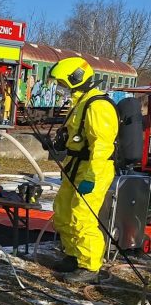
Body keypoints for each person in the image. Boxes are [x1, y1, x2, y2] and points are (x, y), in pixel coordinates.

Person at [46, 57, 117, 284]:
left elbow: (102, 147)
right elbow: (76, 135)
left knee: (82, 216)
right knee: (64, 210)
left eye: (63, 83)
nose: (62, 88)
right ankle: (73, 255)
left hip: (93, 168)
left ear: (75, 79)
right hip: (76, 165)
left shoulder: (98, 106)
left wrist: (91, 177)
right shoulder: (81, 102)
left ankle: (89, 265)